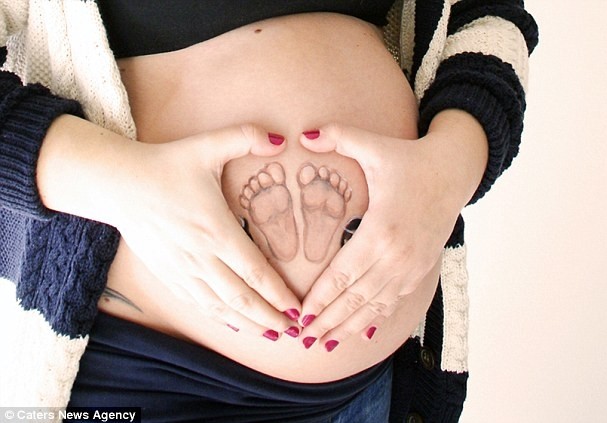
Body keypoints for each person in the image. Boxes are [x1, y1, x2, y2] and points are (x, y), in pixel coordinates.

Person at [0, 1, 538, 422]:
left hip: (362, 390)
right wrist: (126, 185)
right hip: (136, 374)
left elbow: (488, 15)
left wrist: (449, 168)